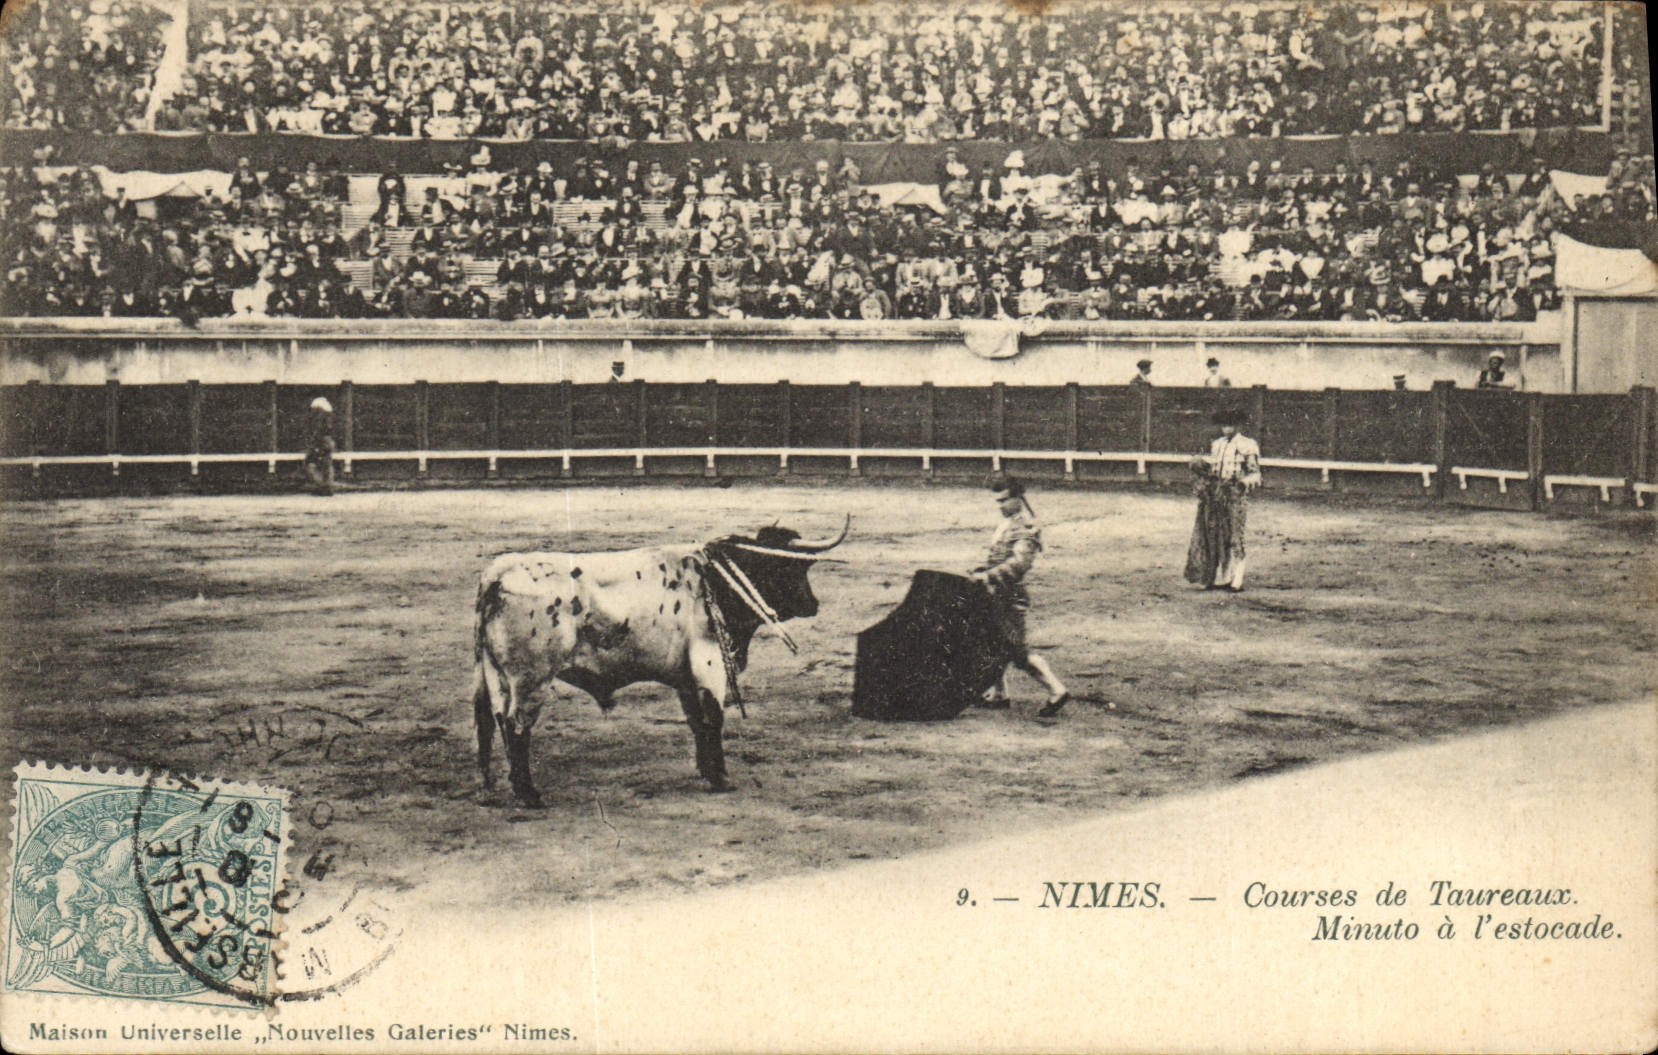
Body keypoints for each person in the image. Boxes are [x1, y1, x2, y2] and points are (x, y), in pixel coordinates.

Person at [971, 474, 1070, 718]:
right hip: (996, 593)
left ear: (1018, 498)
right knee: (991, 642)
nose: (1001, 505)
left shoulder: (1024, 528)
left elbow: (1019, 564)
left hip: (1010, 596)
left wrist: (988, 576)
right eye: (998, 501)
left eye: (1004, 500)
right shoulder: (1009, 524)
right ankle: (999, 694)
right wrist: (983, 571)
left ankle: (1057, 690)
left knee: (1017, 650)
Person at [1184, 410, 1262, 593]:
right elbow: (1213, 470)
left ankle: (1237, 580)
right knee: (1218, 536)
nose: (1226, 428)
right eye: (1224, 425)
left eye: (1230, 424)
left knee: (1235, 535)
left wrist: (1243, 484)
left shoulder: (1247, 445)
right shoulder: (1217, 444)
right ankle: (1224, 578)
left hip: (1235, 495)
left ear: (1238, 426)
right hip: (1217, 495)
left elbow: (1256, 474)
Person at [305, 397, 335, 496]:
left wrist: (313, 443)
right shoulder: (329, 415)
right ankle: (327, 487)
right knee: (326, 465)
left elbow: (317, 430)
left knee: (311, 463)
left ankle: (322, 487)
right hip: (328, 441)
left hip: (321, 441)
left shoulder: (319, 416)